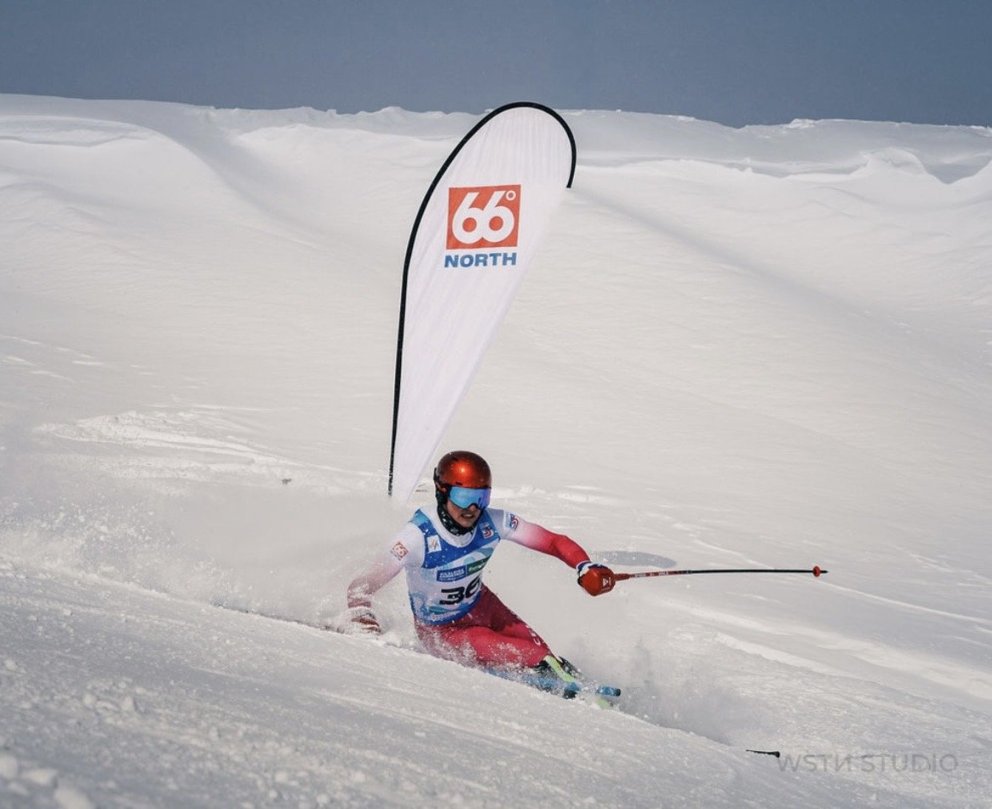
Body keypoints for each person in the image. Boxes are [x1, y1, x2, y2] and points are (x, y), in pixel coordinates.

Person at [339, 450, 616, 688]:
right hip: (442, 631)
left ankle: (567, 684)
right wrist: (364, 624)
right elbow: (361, 586)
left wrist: (584, 565)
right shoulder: (416, 537)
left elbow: (553, 542)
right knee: (532, 656)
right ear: (442, 491)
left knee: (544, 653)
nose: (473, 508)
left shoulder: (493, 522)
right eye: (463, 497)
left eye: (482, 498)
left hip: (483, 605)